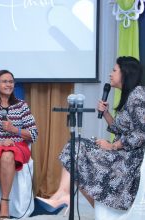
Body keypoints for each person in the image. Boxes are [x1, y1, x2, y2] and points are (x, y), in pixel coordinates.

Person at [36, 56, 145, 213]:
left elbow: (141, 133)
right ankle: (64, 195)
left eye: (114, 70)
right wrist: (106, 113)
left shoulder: (138, 94)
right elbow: (122, 129)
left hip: (129, 160)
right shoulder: (130, 95)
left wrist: (112, 146)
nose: (110, 74)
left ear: (125, 73)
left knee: (76, 146)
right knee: (74, 145)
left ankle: (63, 195)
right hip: (123, 153)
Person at [0, 70, 38, 220]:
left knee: (7, 155)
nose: (8, 84)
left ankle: (4, 202)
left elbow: (34, 134)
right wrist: (0, 143)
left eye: (11, 81)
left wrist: (14, 129)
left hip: (17, 146)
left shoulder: (21, 106)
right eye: (4, 81)